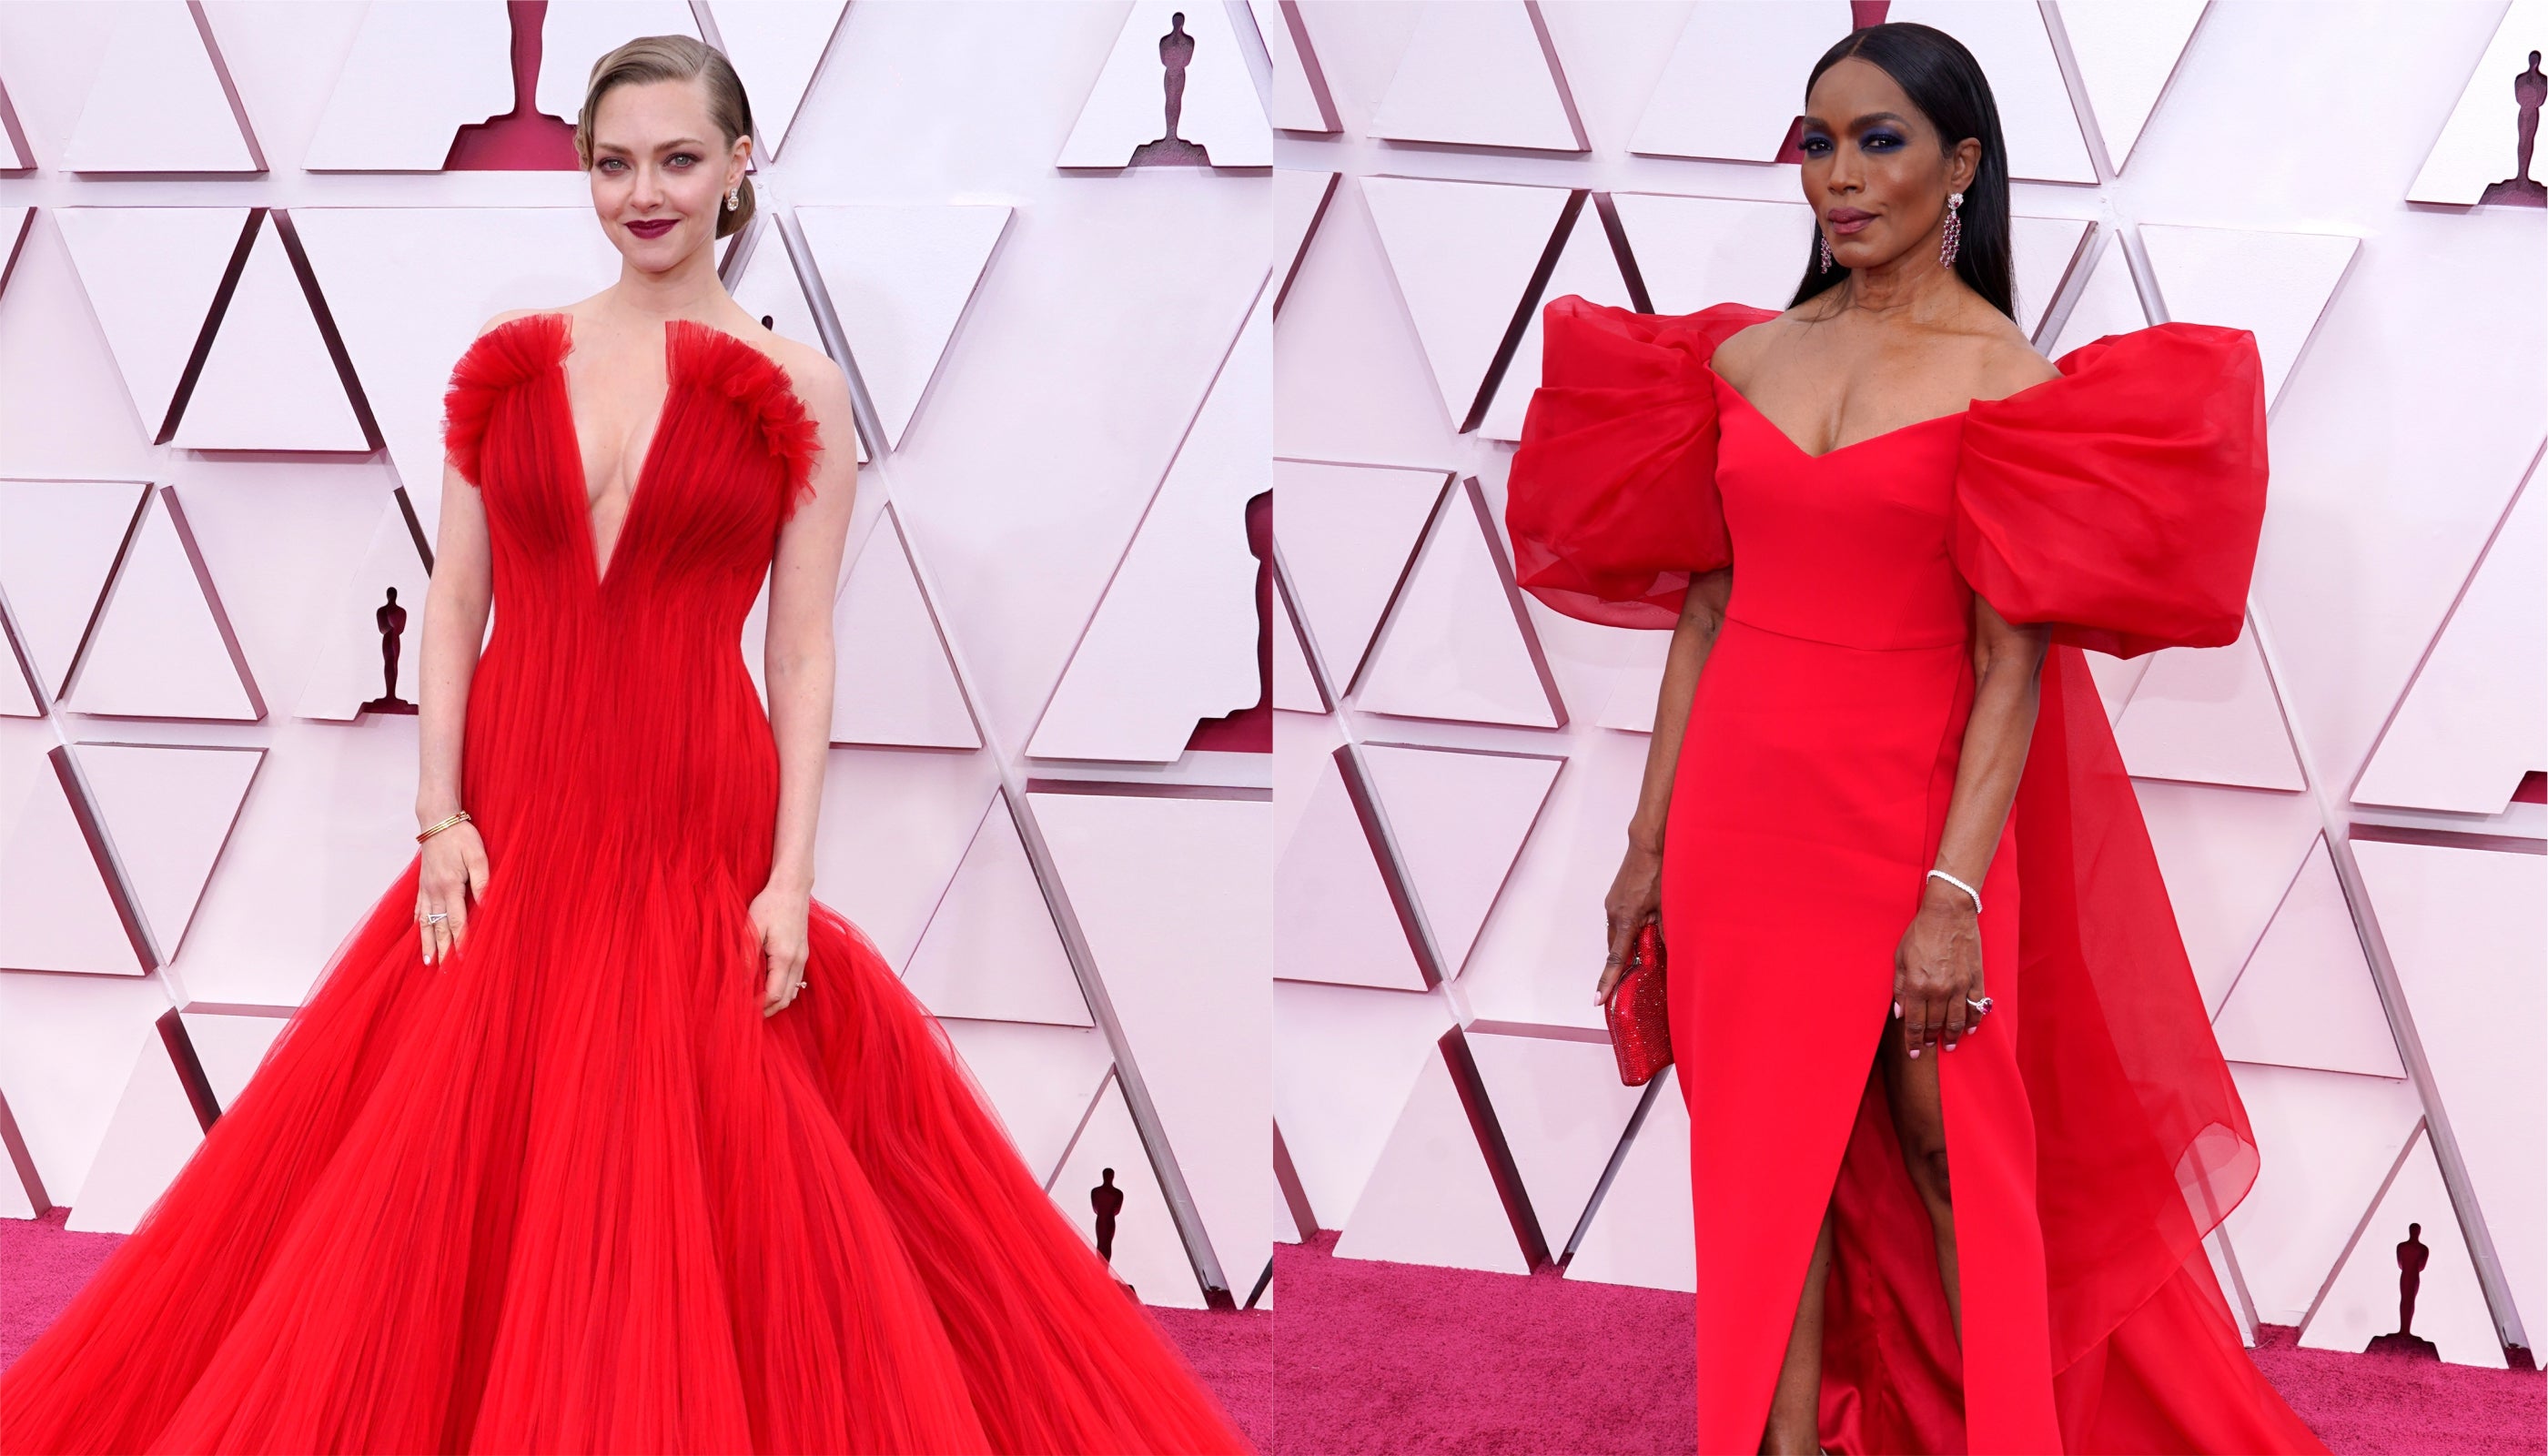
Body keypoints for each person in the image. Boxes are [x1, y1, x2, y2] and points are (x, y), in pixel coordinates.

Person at [0, 35, 1249, 1456]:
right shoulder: (509, 370)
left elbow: (800, 650)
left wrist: (789, 878)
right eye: (611, 162)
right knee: (462, 1154)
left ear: (738, 167)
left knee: (686, 1148)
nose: (640, 193)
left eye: (675, 159)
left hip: (685, 807)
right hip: (517, 807)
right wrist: (438, 818)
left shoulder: (796, 389)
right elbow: (457, 602)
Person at [1503, 23, 2327, 1456]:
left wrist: (1952, 898)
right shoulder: (1746, 358)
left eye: (1877, 141)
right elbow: (1704, 616)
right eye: (1816, 143)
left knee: (1955, 1154)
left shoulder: (2008, 381)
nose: (1838, 175)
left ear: (1961, 166)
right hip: (1737, 824)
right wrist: (1646, 848)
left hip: (1914, 822)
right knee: (1773, 1168)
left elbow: (2014, 668)